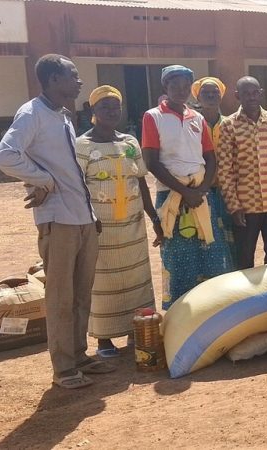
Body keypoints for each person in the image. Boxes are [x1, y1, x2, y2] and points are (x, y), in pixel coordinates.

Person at [0, 54, 117, 389]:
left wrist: (90, 214)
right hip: (57, 220)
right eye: (72, 75)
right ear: (51, 80)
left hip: (80, 217)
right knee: (60, 296)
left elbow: (70, 170)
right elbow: (4, 155)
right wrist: (42, 180)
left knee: (80, 293)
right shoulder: (31, 113)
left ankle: (79, 356)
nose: (79, 81)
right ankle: (63, 368)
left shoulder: (62, 116)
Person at [75, 86, 162, 359]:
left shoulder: (129, 142)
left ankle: (136, 331)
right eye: (105, 107)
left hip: (132, 226)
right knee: (103, 281)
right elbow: (78, 187)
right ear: (93, 111)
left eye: (116, 107)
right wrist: (88, 218)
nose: (112, 112)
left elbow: (141, 181)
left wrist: (153, 217)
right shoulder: (82, 146)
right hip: (101, 228)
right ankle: (103, 339)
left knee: (136, 279)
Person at [143, 65, 234, 309]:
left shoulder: (198, 118)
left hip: (200, 197)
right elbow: (151, 161)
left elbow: (210, 158)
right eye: (176, 86)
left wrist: (201, 190)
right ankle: (179, 318)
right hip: (172, 196)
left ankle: (210, 313)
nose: (181, 91)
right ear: (166, 87)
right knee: (177, 258)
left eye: (186, 86)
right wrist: (186, 192)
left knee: (211, 255)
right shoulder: (153, 117)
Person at [216, 76, 267, 269]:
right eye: (246, 93)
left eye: (254, 93)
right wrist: (234, 206)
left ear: (261, 93)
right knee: (244, 257)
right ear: (237, 96)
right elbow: (225, 169)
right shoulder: (229, 125)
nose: (251, 97)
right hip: (245, 206)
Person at [192, 76, 237, 263]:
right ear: (198, 97)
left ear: (221, 96)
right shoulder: (191, 124)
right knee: (204, 236)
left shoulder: (231, 124)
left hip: (227, 190)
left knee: (231, 237)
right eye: (205, 92)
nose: (211, 96)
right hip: (199, 190)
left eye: (215, 92)